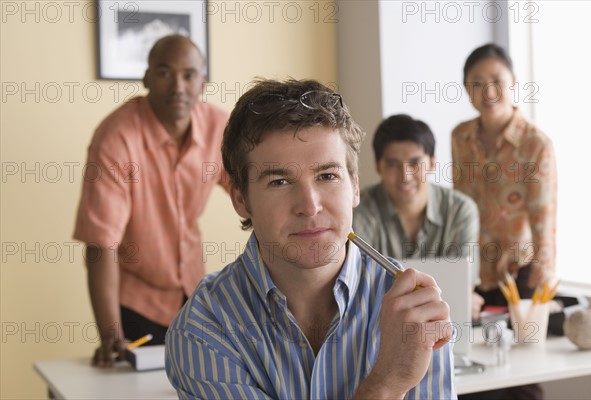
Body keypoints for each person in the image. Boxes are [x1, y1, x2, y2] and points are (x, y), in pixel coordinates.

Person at [165, 79, 456, 399]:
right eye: (279, 181)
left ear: (355, 188)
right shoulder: (204, 325)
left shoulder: (414, 307)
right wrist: (388, 382)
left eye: (327, 176)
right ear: (240, 199)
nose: (310, 205)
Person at [73, 35, 229, 367]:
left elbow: (254, 197)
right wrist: (110, 334)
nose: (178, 87)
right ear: (145, 78)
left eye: (189, 75)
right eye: (164, 73)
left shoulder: (220, 128)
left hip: (194, 296)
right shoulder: (116, 137)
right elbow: (101, 242)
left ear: (203, 81)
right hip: (136, 304)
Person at [452, 43, 557, 400]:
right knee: (472, 370)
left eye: (496, 80)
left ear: (512, 81)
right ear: (467, 89)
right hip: (475, 274)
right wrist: (456, 276)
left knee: (523, 377)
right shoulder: (460, 137)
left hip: (521, 274)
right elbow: (458, 208)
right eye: (477, 83)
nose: (488, 91)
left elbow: (545, 221)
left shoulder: (535, 144)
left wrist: (540, 293)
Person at [353, 114, 484, 320]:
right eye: (393, 164)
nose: (405, 176)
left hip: (447, 329)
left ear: (432, 163)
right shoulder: (359, 211)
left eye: (415, 163)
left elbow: (463, 292)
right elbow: (361, 295)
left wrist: (463, 299)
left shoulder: (461, 210)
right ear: (379, 166)